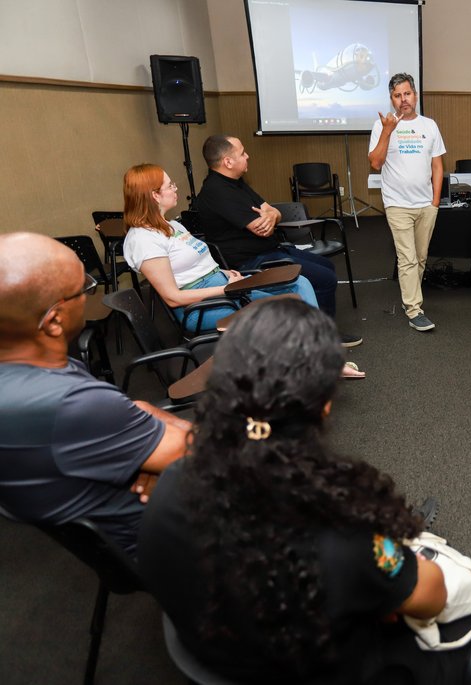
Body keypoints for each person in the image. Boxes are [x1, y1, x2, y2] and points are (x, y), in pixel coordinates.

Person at [138, 298, 471, 683]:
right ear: (323, 405)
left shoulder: (170, 483)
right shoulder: (340, 530)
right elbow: (431, 595)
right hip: (341, 666)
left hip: (218, 659)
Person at [0, 233, 189, 555]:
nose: (91, 297)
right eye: (84, 290)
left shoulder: (32, 377)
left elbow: (131, 411)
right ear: (54, 320)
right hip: (179, 542)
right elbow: (202, 456)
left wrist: (146, 441)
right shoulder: (72, 403)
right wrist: (169, 467)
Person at [193, 134, 362, 346]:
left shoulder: (236, 183)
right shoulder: (216, 191)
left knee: (326, 266)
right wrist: (270, 216)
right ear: (228, 162)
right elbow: (261, 229)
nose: (248, 156)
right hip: (251, 261)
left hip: (271, 249)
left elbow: (272, 212)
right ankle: (321, 337)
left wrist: (271, 215)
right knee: (325, 278)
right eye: (242, 153)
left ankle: (311, 327)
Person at [122, 163, 318, 334]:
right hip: (200, 308)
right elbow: (173, 298)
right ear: (155, 195)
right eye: (170, 185)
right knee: (281, 310)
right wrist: (225, 288)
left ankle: (320, 352)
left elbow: (193, 264)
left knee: (300, 283)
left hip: (222, 284)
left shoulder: (173, 225)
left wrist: (225, 273)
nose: (175, 189)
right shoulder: (143, 239)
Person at [368, 72, 446, 332]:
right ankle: (414, 309)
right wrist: (388, 131)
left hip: (426, 204)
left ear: (415, 94)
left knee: (420, 257)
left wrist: (435, 202)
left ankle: (410, 298)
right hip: (397, 204)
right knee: (407, 258)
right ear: (391, 99)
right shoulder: (382, 126)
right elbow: (376, 163)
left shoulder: (429, 125)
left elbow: (437, 165)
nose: (403, 99)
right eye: (397, 95)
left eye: (407, 94)